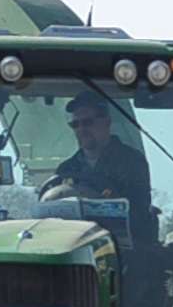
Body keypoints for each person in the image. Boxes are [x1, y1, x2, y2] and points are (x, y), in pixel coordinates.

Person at [41, 93, 156, 241]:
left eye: (87, 122)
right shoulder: (65, 170)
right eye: (75, 124)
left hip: (122, 250)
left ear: (106, 122)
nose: (81, 129)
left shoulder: (131, 161)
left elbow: (139, 212)